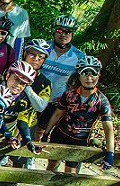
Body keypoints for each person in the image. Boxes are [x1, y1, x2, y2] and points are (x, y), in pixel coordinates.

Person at [41, 56, 115, 186]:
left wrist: (110, 152)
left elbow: (108, 128)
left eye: (93, 74)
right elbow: (58, 114)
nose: (89, 77)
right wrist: (46, 133)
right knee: (52, 164)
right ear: (79, 75)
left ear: (98, 76)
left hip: (79, 141)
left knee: (71, 175)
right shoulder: (70, 94)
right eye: (85, 74)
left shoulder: (101, 101)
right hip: (60, 134)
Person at [34, 14, 86, 144]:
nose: (63, 34)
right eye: (59, 31)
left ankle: (32, 157)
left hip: (55, 100)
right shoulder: (43, 48)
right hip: (35, 95)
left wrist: (68, 97)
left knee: (41, 129)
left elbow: (84, 80)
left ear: (72, 34)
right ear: (54, 31)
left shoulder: (78, 56)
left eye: (67, 32)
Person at [13, 39, 52, 170]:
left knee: (20, 156)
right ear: (24, 53)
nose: (36, 59)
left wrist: (27, 86)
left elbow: (40, 106)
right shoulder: (12, 70)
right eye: (32, 55)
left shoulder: (45, 82)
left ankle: (11, 183)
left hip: (28, 122)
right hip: (7, 118)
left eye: (41, 57)